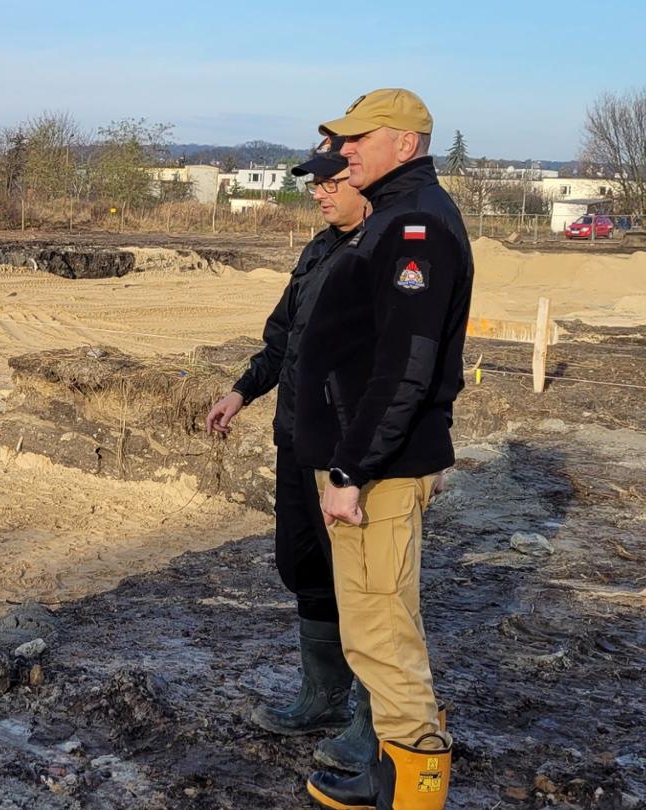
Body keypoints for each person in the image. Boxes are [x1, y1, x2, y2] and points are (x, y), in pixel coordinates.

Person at [293, 88, 472, 810]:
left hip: (377, 470)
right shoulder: (392, 217)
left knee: (380, 631)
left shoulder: (416, 226)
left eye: (357, 139)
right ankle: (385, 775)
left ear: (406, 142)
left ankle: (415, 792)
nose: (342, 152)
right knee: (378, 621)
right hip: (364, 460)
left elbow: (406, 365)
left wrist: (351, 469)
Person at [204, 138, 380, 773]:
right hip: (296, 438)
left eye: (332, 178)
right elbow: (282, 338)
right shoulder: (318, 249)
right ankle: (322, 697)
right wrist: (241, 390)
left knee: (363, 587)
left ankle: (371, 719)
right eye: (315, 180)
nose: (320, 189)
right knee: (303, 565)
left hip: (347, 451)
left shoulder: (382, 250)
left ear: (363, 178)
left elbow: (403, 367)